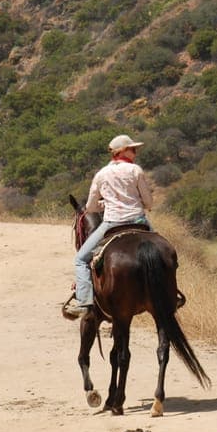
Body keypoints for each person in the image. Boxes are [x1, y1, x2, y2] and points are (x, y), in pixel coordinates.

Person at [64, 134, 153, 318]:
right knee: (163, 252)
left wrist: (104, 205)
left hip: (112, 223)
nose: (135, 151)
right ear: (121, 151)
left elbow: (89, 207)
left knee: (81, 259)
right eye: (132, 148)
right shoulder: (136, 170)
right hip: (139, 221)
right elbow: (149, 202)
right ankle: (171, 294)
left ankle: (84, 303)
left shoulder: (101, 174)